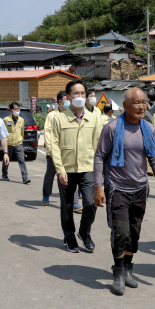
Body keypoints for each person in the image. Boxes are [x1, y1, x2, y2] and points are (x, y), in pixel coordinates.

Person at [94, 88, 155, 295]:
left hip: (140, 189)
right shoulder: (112, 128)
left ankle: (127, 268)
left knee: (134, 233)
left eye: (144, 102)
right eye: (136, 102)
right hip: (117, 189)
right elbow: (99, 157)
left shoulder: (148, 129)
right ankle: (117, 271)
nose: (141, 106)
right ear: (125, 106)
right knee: (120, 232)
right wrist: (98, 187)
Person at [51, 79, 102, 253]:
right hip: (67, 169)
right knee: (66, 206)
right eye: (76, 93)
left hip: (88, 168)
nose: (80, 96)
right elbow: (54, 145)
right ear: (68, 96)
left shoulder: (94, 118)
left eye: (82, 93)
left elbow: (97, 145)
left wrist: (99, 169)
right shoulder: (59, 118)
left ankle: (84, 232)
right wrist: (60, 169)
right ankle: (69, 236)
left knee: (90, 204)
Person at [42, 92, 82, 211]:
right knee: (50, 174)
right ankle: (46, 195)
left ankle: (74, 202)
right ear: (60, 102)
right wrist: (50, 150)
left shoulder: (72, 114)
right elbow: (48, 133)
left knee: (71, 176)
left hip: (68, 151)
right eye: (66, 99)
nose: (69, 101)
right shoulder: (52, 116)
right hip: (54, 152)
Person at [1, 102, 31, 184]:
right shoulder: (6, 120)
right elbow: (3, 132)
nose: (18, 110)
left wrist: (21, 139)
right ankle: (4, 174)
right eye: (16, 109)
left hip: (18, 143)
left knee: (22, 160)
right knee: (6, 160)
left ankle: (25, 178)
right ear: (11, 110)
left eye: (18, 109)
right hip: (9, 143)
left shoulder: (21, 120)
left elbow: (22, 132)